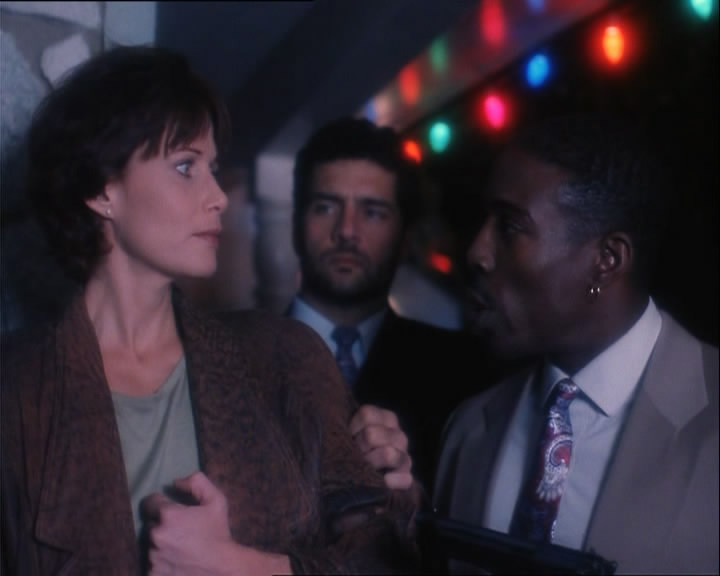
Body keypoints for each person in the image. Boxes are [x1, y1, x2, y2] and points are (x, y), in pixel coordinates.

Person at [0, 46, 419, 575]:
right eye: (185, 167)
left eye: (212, 168)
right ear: (102, 189)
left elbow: (382, 556)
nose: (218, 196)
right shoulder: (16, 392)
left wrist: (246, 568)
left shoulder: (285, 356)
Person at [433, 114, 719, 573]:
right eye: (484, 221)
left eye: (509, 227)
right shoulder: (468, 429)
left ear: (607, 260)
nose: (477, 252)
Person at [289, 117, 500, 496]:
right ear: (295, 223)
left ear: (405, 238)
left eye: (372, 212)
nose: (347, 231)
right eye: (325, 207)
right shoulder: (234, 356)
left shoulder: (462, 373)